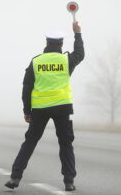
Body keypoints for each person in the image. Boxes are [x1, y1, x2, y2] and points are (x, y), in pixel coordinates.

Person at [5, 21, 84, 191]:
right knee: (65, 144)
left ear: (47, 43)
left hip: (40, 109)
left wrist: (27, 111)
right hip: (62, 108)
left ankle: (15, 178)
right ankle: (69, 182)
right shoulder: (66, 60)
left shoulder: (36, 62)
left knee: (30, 142)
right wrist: (77, 33)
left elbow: (27, 88)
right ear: (61, 43)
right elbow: (80, 54)